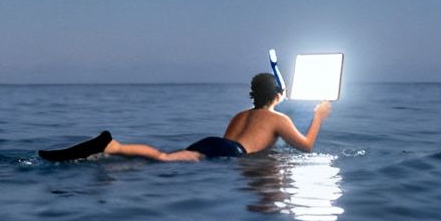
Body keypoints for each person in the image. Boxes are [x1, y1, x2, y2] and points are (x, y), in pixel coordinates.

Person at [38, 73, 333, 162]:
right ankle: (111, 146)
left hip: (216, 143)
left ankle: (114, 147)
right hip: (229, 152)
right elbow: (306, 147)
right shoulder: (278, 119)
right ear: (277, 96)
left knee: (165, 155)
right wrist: (318, 116)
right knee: (164, 160)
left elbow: (230, 142)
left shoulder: (241, 114)